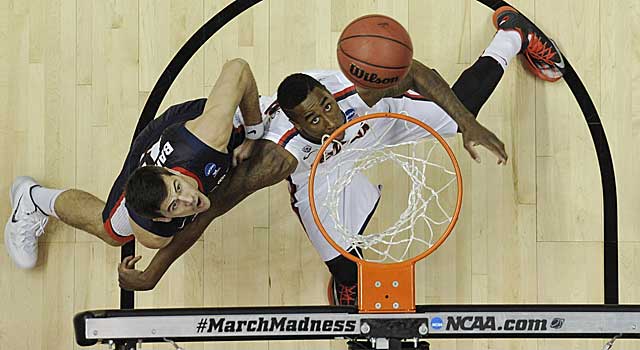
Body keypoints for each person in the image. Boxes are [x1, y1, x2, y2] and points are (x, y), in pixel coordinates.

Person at [262, 6, 565, 305]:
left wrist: (468, 124)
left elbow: (416, 72)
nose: (325, 118)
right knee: (342, 264)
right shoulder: (282, 148)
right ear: (295, 123)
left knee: (463, 108)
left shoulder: (357, 90)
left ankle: (513, 34)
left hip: (374, 122)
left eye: (326, 107)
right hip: (320, 168)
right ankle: (349, 282)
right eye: (314, 119)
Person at [4, 58, 295, 281]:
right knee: (114, 232)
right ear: (161, 217)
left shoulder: (206, 137)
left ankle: (31, 198)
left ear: (170, 174)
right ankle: (33, 201)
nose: (189, 200)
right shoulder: (153, 234)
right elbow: (193, 223)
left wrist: (253, 133)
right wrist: (153, 272)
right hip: (175, 158)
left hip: (189, 129)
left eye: (178, 188)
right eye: (174, 206)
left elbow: (238, 68)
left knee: (111, 228)